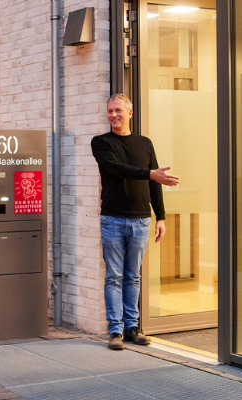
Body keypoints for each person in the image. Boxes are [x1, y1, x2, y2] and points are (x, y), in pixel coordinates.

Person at [91, 93, 179, 350]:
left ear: (130, 113)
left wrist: (160, 216)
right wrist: (150, 174)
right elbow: (117, 169)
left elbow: (156, 182)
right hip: (112, 219)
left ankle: (133, 328)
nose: (113, 115)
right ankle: (115, 331)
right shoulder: (101, 143)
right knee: (114, 276)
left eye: (118, 110)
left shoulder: (145, 143)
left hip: (141, 219)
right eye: (109, 111)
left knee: (133, 276)